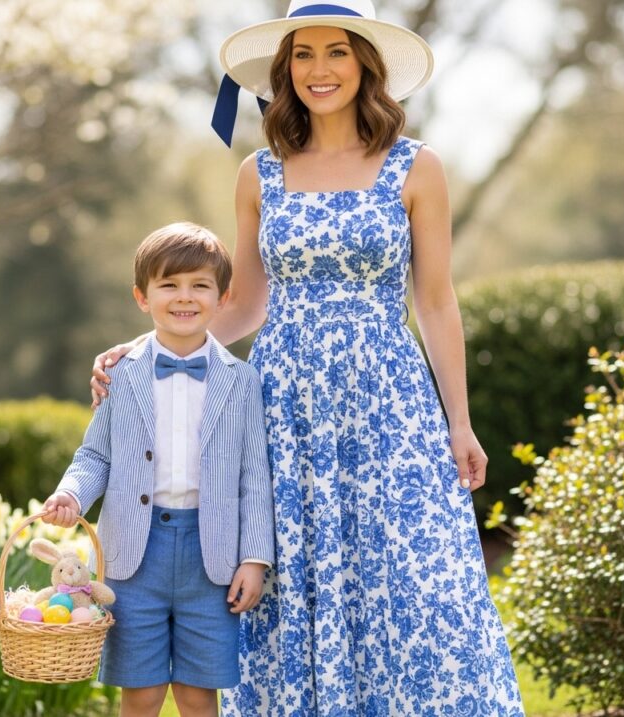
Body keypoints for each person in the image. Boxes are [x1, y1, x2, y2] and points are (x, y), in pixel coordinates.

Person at [91, 1, 525, 714]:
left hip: (388, 402)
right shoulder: (259, 174)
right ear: (284, 68)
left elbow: (438, 301)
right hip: (283, 404)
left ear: (365, 64)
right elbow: (245, 305)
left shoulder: (418, 167)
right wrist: (143, 349)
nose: (319, 70)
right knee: (288, 578)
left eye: (337, 52)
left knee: (414, 577)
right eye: (303, 54)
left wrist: (461, 422)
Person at [43, 222, 275, 717]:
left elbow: (255, 478)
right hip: (132, 558)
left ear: (224, 296)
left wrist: (254, 558)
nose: (184, 297)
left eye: (200, 286)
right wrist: (71, 495)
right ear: (142, 297)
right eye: (169, 285)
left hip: (211, 560)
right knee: (142, 694)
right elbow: (95, 455)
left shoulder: (242, 380)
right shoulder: (119, 373)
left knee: (197, 694)